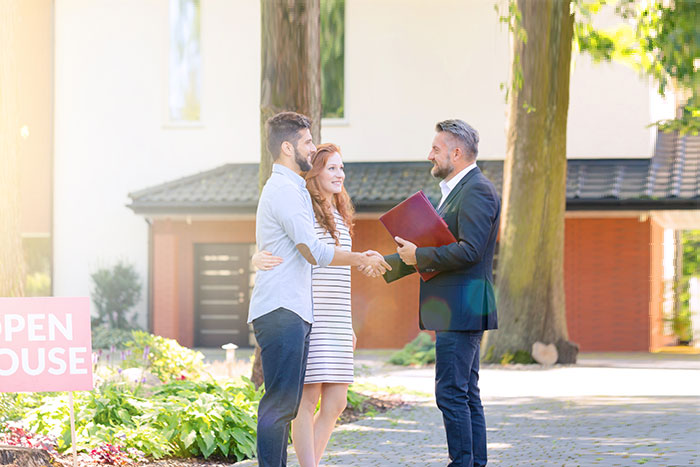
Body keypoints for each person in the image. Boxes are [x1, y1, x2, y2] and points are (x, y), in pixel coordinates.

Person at [247, 111, 389, 467]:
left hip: (300, 311)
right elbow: (312, 250)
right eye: (308, 142)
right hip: (286, 309)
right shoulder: (287, 192)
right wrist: (360, 258)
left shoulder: (291, 189)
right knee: (284, 404)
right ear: (286, 147)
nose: (312, 149)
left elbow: (283, 243)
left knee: (287, 404)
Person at [379, 119, 500, 467]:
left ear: (457, 152)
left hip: (462, 307)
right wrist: (385, 262)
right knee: (464, 393)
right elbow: (434, 247)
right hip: (460, 306)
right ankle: (472, 463)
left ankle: (462, 462)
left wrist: (418, 255)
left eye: (436, 149)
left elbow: (469, 250)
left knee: (450, 393)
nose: (429, 155)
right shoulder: (459, 191)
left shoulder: (476, 189)